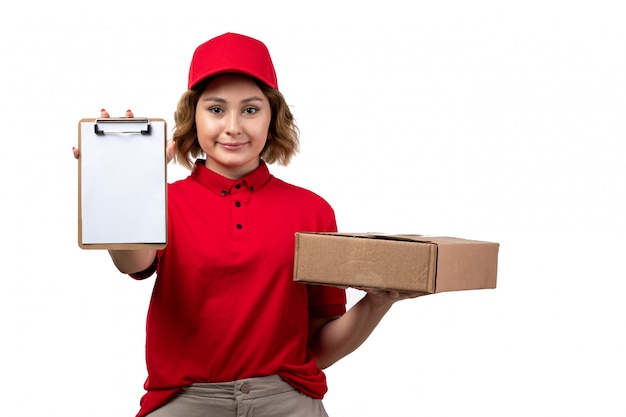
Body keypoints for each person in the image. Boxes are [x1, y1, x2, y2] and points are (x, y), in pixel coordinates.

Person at [74, 32, 422, 417]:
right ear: (194, 116)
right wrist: (124, 192)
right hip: (184, 402)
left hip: (288, 401)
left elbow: (319, 348)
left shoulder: (313, 210)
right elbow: (131, 262)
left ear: (273, 117)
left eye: (251, 109)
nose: (234, 126)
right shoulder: (164, 203)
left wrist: (379, 301)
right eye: (217, 109)